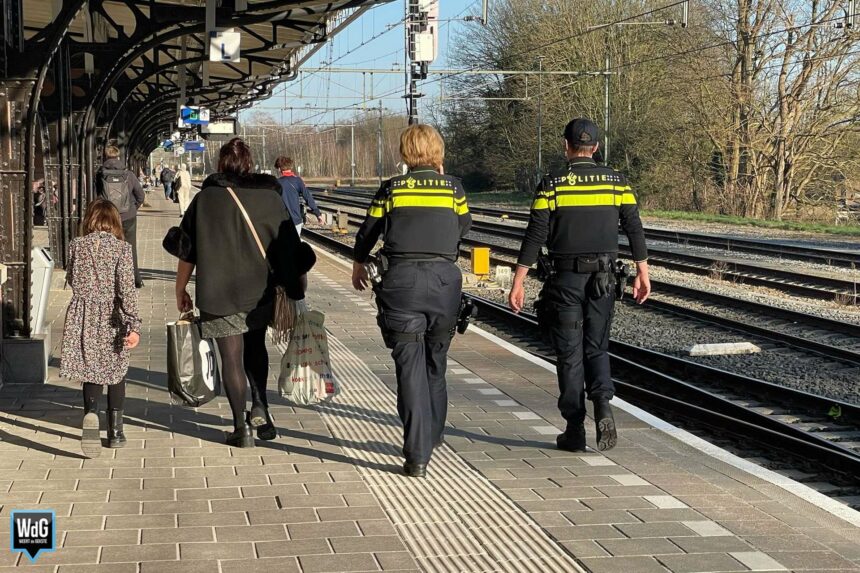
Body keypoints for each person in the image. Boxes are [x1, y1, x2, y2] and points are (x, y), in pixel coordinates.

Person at [508, 118, 651, 453]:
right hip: (603, 280)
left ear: (566, 146)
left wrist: (519, 281)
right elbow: (634, 227)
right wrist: (643, 271)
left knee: (569, 354)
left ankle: (574, 429)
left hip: (565, 281)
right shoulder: (617, 182)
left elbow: (534, 235)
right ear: (596, 147)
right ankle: (602, 403)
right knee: (596, 347)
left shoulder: (552, 184)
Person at [173, 138, 316, 447]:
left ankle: (241, 429)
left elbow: (187, 250)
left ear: (220, 165)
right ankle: (261, 405)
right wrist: (297, 283)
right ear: (250, 164)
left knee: (231, 358)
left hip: (218, 291)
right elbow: (291, 247)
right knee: (256, 348)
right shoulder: (270, 198)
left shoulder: (205, 199)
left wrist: (180, 288)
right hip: (260, 290)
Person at [352, 124, 471, 478]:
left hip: (401, 283)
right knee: (436, 361)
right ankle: (433, 435)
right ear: (438, 151)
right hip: (444, 282)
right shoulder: (453, 188)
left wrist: (359, 264)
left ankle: (417, 454)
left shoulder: (392, 189)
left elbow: (368, 231)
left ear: (405, 152)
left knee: (409, 366)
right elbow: (464, 226)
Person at [60, 199, 141, 458]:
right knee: (116, 370)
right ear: (115, 222)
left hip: (81, 314)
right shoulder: (122, 250)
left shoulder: (76, 245)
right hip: (111, 315)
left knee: (91, 369)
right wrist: (133, 324)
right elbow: (126, 290)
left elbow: (71, 277)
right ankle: (115, 432)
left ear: (90, 220)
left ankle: (91, 415)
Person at [96, 145, 145, 288]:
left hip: (107, 217)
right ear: (118, 157)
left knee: (106, 247)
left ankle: (108, 280)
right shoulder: (128, 174)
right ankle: (135, 279)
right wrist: (132, 209)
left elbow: (94, 196)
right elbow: (140, 195)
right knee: (130, 248)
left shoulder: (99, 174)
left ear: (105, 157)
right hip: (128, 216)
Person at [275, 156, 321, 235]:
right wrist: (318, 214)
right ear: (290, 167)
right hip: (296, 221)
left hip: (282, 222)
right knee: (294, 245)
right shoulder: (298, 180)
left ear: (279, 169)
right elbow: (308, 197)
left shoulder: (276, 183)